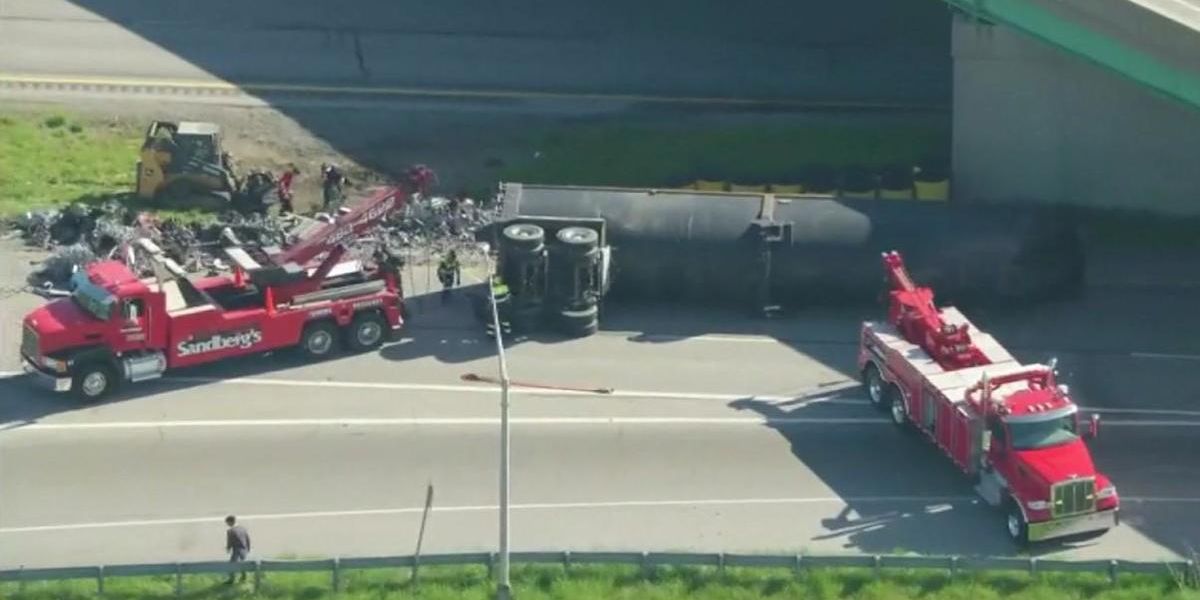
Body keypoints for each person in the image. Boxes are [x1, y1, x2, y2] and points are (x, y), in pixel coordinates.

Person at [224, 515, 251, 584]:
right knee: (243, 564)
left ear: (230, 522)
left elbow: (230, 541)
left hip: (237, 549)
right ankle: (244, 578)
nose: (227, 524)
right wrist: (248, 548)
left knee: (232, 565)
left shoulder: (230, 531)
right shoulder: (243, 528)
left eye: (227, 523)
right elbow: (247, 539)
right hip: (244, 549)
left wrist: (228, 548)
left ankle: (231, 579)